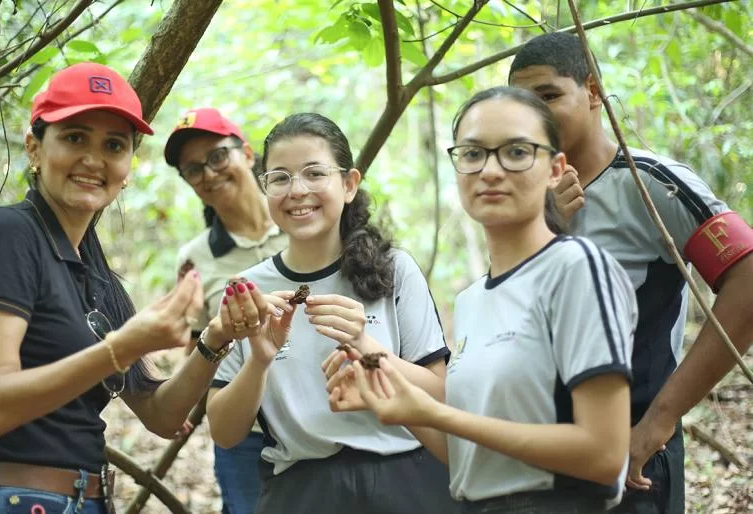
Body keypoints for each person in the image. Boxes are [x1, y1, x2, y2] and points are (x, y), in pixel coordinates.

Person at [0, 63, 239, 514]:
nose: (94, 160)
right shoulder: (5, 235)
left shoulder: (96, 275)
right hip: (10, 500)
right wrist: (121, 347)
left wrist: (215, 339)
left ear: (127, 168)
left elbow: (160, 414)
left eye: (113, 145)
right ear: (34, 148)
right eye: (75, 137)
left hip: (84, 501)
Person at [336, 86, 637, 514]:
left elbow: (604, 455)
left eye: (516, 152)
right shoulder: (473, 299)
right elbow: (471, 461)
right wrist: (391, 401)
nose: (490, 171)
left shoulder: (576, 268)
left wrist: (438, 414)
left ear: (555, 169)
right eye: (473, 154)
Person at [509, 32, 753, 514]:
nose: (533, 116)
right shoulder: (522, 201)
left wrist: (660, 421)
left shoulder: (653, 185)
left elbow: (747, 277)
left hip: (632, 453)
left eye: (549, 96)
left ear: (594, 91)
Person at [206, 113, 455, 514]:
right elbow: (224, 430)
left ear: (349, 183)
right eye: (281, 178)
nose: (297, 190)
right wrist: (259, 361)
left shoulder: (395, 269)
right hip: (300, 489)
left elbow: (441, 394)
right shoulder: (248, 287)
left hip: (407, 479)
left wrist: (366, 347)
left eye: (314, 173)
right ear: (265, 187)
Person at [163, 107, 287, 514]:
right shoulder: (194, 259)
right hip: (246, 429)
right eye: (194, 169)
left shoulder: (302, 220)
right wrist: (180, 398)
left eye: (218, 157)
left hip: (324, 413)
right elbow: (199, 340)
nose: (210, 174)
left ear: (247, 154)